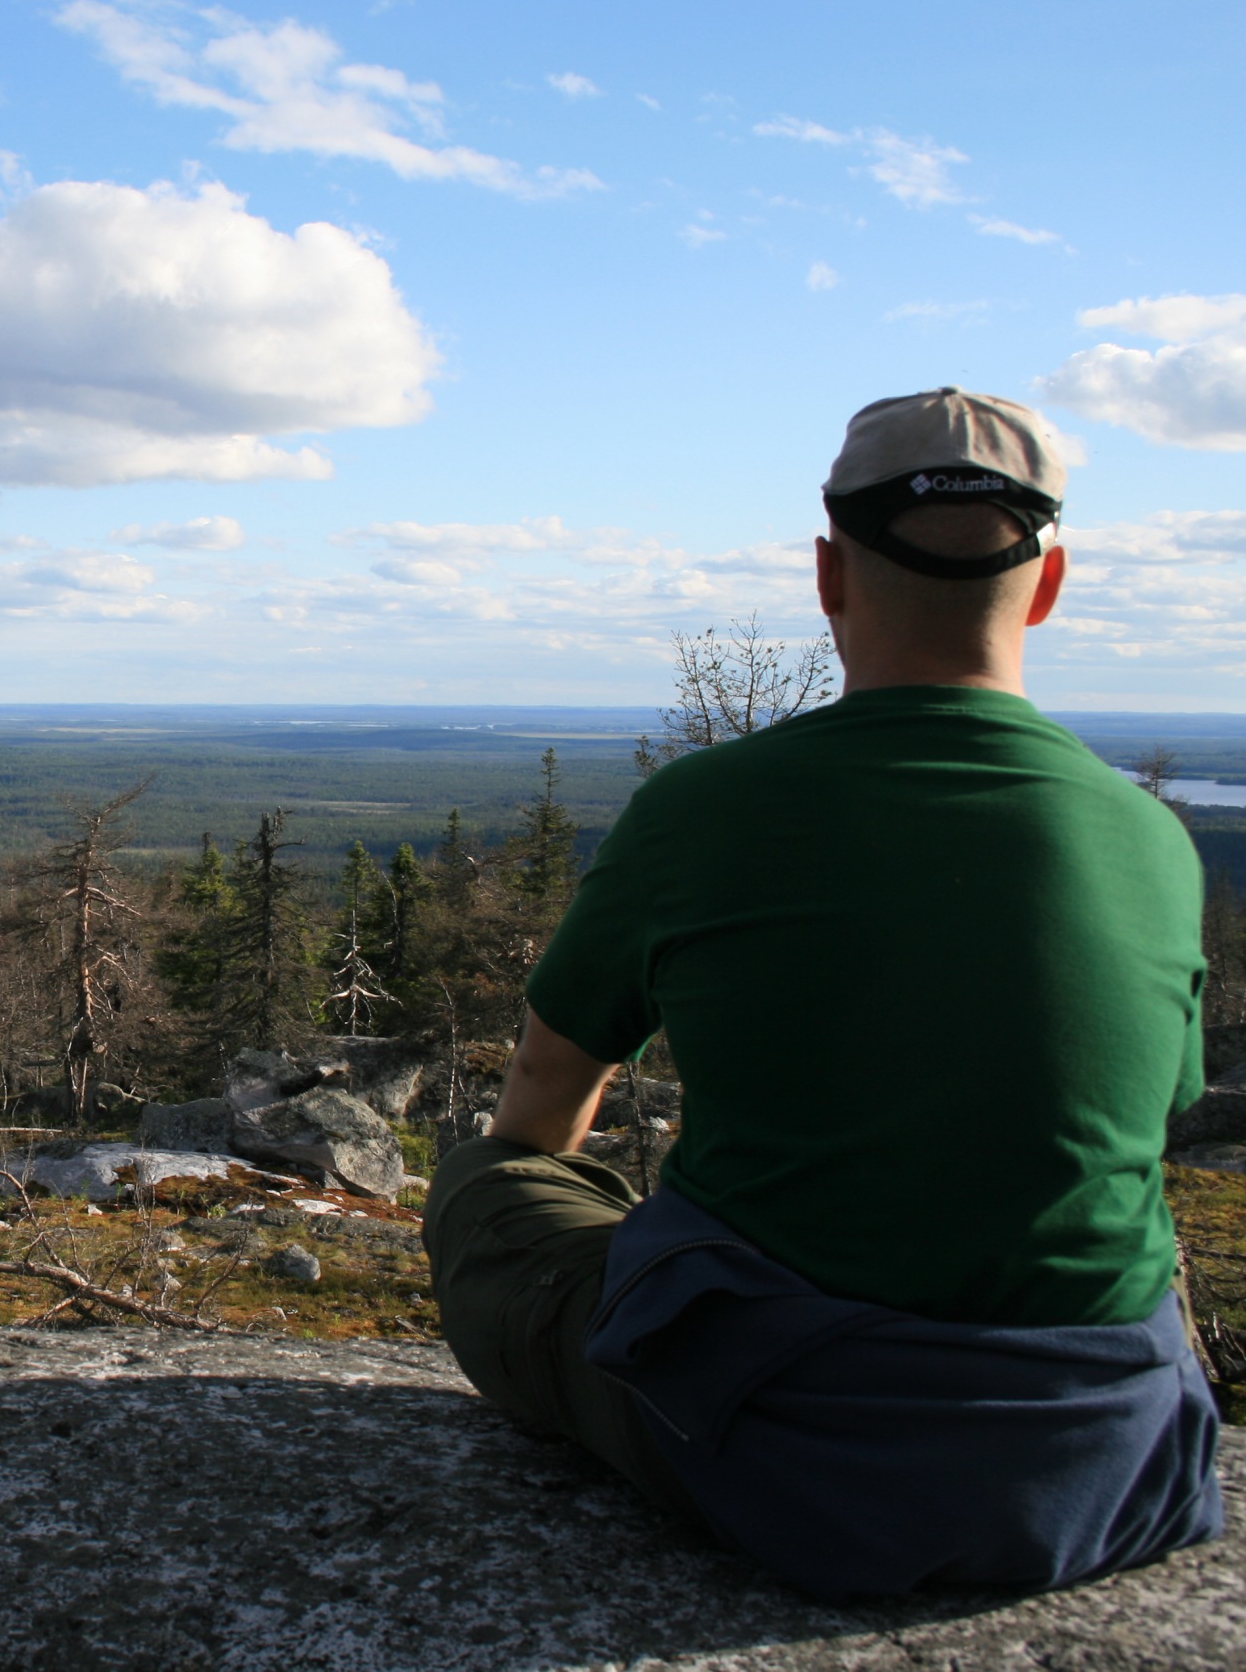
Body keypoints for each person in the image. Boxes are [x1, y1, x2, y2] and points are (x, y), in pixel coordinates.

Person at [422, 387, 1225, 1599]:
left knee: (489, 1189)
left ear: (827, 575)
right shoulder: (1150, 838)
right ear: (1048, 585)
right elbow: (1147, 1117)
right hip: (1115, 1464)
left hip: (789, 1451)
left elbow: (542, 1096)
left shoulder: (702, 812)